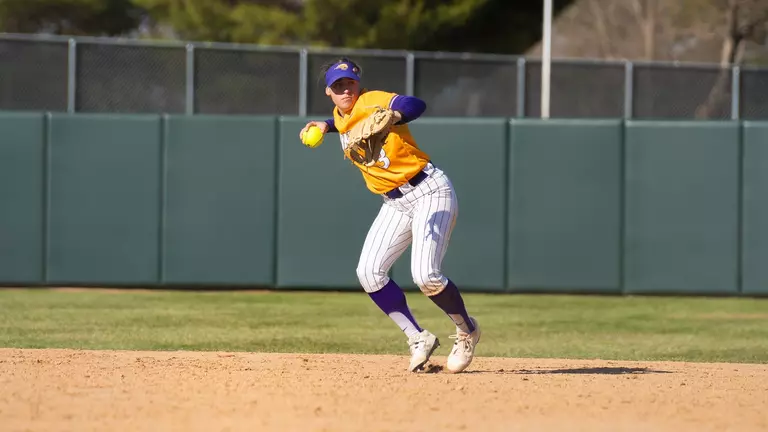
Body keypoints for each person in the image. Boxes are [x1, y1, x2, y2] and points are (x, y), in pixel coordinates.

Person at [299, 57, 480, 373]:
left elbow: (415, 104)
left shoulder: (373, 101)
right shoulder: (340, 116)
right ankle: (418, 337)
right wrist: (324, 126)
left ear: (358, 84)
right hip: (394, 203)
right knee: (369, 272)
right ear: (329, 91)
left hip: (428, 190)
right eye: (337, 86)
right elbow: (344, 122)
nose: (345, 90)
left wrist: (396, 114)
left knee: (426, 276)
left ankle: (466, 329)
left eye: (349, 83)